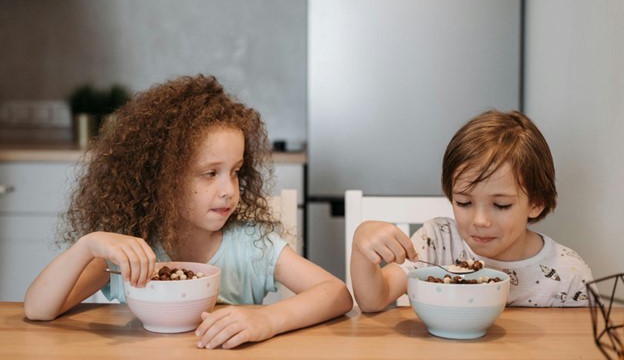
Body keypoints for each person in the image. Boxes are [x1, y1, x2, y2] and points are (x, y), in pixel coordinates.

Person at [24, 74, 353, 349]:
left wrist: (267, 318)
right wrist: (88, 245)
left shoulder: (251, 247)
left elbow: (336, 294)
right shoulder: (133, 250)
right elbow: (38, 310)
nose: (228, 189)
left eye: (235, 171)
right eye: (210, 173)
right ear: (163, 179)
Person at [350, 109, 594, 312]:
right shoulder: (438, 241)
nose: (480, 221)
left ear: (536, 203)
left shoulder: (568, 274)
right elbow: (373, 299)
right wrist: (361, 244)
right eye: (464, 203)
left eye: (501, 205)